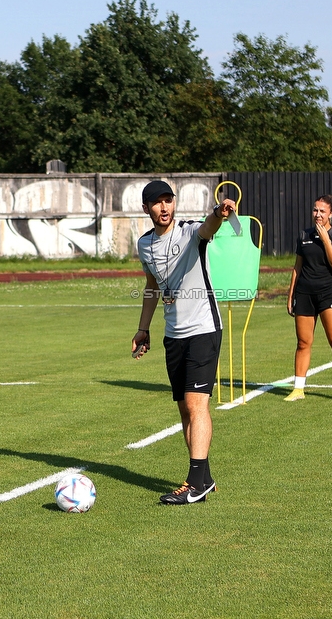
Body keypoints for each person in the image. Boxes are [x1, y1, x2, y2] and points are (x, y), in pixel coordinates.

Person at [132, 180, 236, 505]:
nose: (164, 207)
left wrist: (219, 213)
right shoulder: (144, 244)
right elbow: (151, 286)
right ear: (146, 208)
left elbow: (209, 227)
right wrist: (143, 329)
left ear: (174, 203)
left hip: (203, 327)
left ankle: (194, 483)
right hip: (173, 335)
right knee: (184, 410)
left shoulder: (189, 231)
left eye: (168, 201)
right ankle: (204, 478)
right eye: (157, 203)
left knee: (196, 404)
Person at [284, 195, 332, 403]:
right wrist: (291, 294)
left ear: (330, 213)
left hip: (329, 293)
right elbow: (298, 267)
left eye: (322, 211)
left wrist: (326, 240)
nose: (318, 215)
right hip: (304, 294)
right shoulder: (304, 235)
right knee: (303, 342)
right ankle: (298, 389)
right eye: (315, 210)